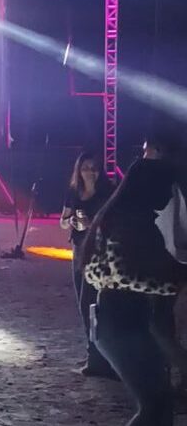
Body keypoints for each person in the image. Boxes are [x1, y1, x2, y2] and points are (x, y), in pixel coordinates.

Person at [83, 134, 187, 426]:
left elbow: (97, 271)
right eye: (165, 188)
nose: (168, 195)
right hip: (123, 325)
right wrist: (176, 280)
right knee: (154, 408)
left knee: (158, 408)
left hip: (119, 323)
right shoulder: (129, 223)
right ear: (149, 188)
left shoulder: (120, 217)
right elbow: (127, 274)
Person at [59, 152, 115, 379]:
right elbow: (62, 221)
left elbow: (114, 221)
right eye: (85, 168)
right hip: (78, 250)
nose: (90, 172)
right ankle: (93, 353)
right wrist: (71, 221)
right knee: (83, 305)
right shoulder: (73, 191)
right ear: (78, 170)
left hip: (99, 252)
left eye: (94, 168)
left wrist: (92, 224)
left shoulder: (107, 192)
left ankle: (100, 357)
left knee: (92, 302)